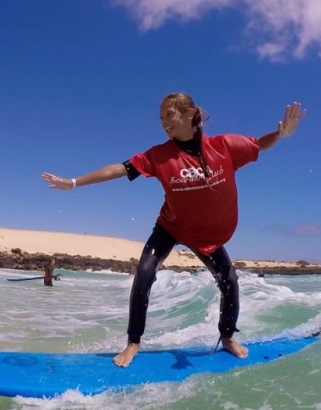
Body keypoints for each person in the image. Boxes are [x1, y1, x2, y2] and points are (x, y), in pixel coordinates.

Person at [41, 93, 306, 368]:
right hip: (170, 226)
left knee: (229, 282)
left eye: (169, 114)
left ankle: (227, 337)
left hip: (205, 235)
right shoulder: (159, 155)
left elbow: (258, 144)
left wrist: (281, 134)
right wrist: (73, 183)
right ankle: (133, 342)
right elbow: (119, 169)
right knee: (144, 275)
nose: (164, 121)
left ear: (190, 113)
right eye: (161, 117)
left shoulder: (223, 146)